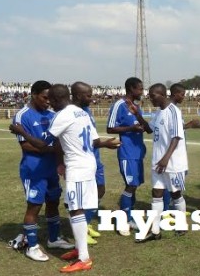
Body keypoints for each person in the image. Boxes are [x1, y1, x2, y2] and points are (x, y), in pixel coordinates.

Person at [10, 84, 120, 273]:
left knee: (75, 210)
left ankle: (83, 258)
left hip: (78, 168)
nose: (49, 104)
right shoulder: (81, 113)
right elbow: (94, 141)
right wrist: (106, 144)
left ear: (55, 99)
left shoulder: (63, 115)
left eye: (50, 100)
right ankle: (79, 249)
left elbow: (43, 143)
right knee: (76, 207)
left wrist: (21, 131)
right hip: (87, 164)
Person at [11, 80, 74, 262]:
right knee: (35, 206)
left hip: (51, 168)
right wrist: (52, 150)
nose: (48, 101)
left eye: (50, 98)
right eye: (45, 97)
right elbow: (26, 146)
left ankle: (54, 239)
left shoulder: (52, 114)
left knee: (53, 201)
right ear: (34, 94)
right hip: (33, 169)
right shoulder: (22, 116)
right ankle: (31, 246)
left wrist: (58, 158)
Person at [137, 83, 190, 242]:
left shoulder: (173, 111)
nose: (150, 99)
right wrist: (137, 115)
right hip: (158, 162)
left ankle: (181, 225)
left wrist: (166, 158)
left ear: (161, 94)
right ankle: (155, 230)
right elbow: (149, 129)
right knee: (156, 194)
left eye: (152, 96)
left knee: (176, 194)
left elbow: (176, 137)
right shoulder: (158, 112)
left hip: (173, 162)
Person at [106, 77, 151, 236]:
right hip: (126, 152)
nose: (142, 92)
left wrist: (138, 124)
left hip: (138, 152)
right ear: (131, 89)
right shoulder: (119, 105)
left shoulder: (136, 107)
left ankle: (129, 216)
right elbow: (110, 129)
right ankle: (122, 220)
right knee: (130, 185)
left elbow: (147, 128)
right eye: (139, 89)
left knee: (134, 185)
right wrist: (131, 128)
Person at [70, 82, 105, 245]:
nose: (92, 99)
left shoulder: (87, 111)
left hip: (94, 159)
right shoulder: (70, 113)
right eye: (88, 95)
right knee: (81, 198)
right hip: (81, 163)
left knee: (99, 191)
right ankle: (81, 229)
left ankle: (86, 223)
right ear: (78, 95)